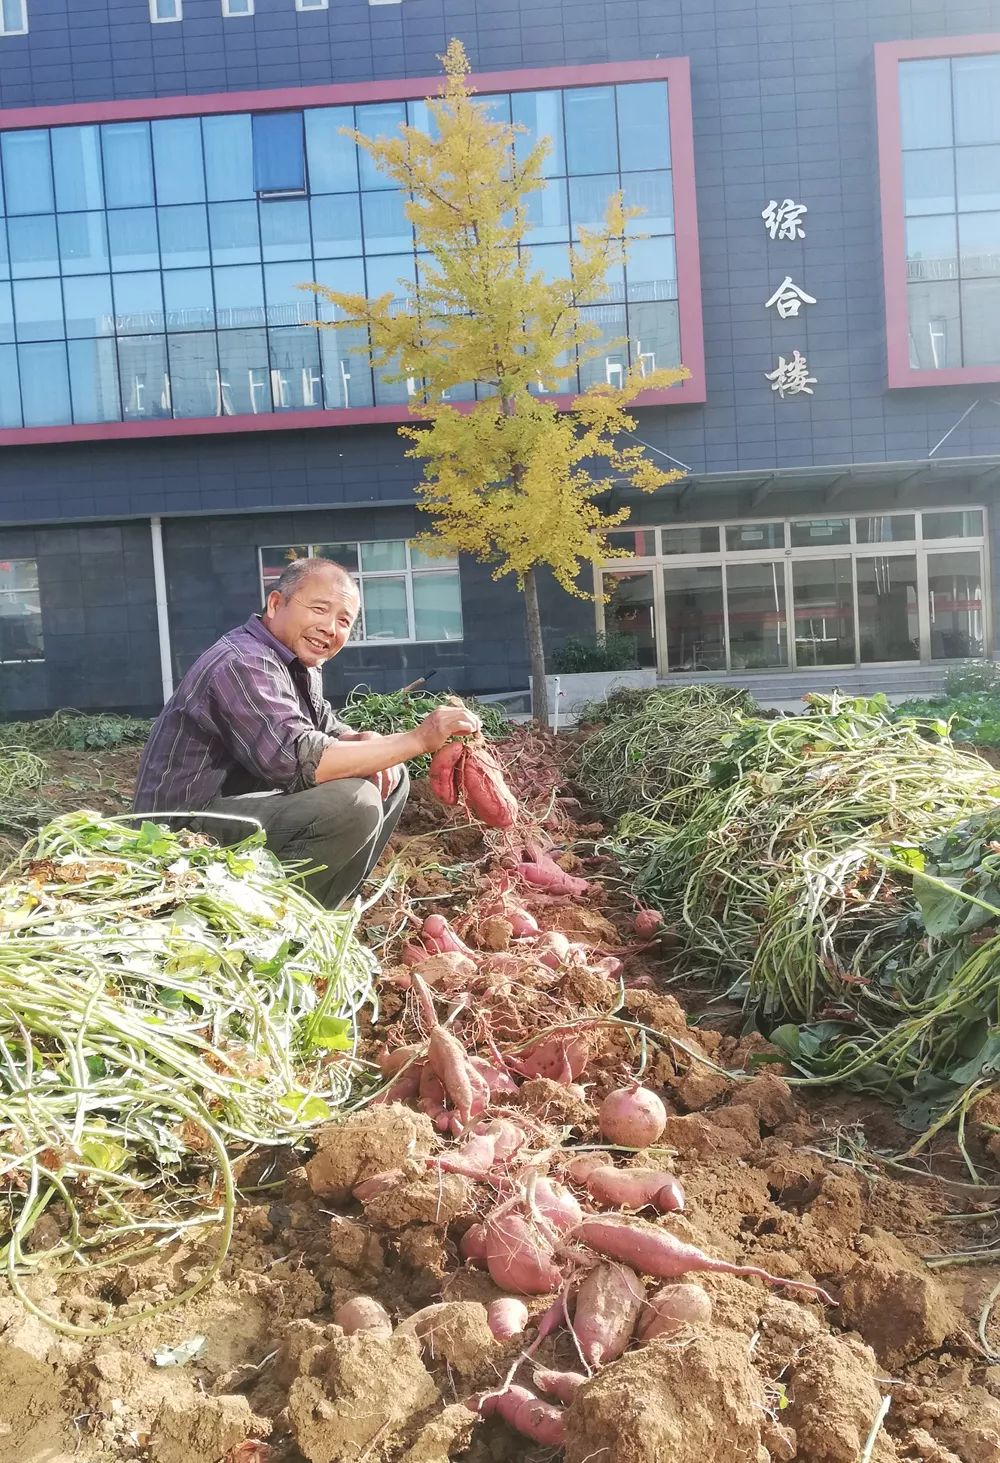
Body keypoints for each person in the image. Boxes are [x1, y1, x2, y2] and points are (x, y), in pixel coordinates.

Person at [133, 556, 480, 907]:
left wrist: (364, 741)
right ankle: (268, 922)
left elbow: (326, 728)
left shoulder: (296, 664)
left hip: (230, 810)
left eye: (344, 621)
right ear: (275, 604)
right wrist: (417, 739)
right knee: (352, 803)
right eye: (319, 609)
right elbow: (298, 759)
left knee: (389, 774)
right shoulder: (243, 663)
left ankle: (323, 912)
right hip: (176, 834)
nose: (331, 628)